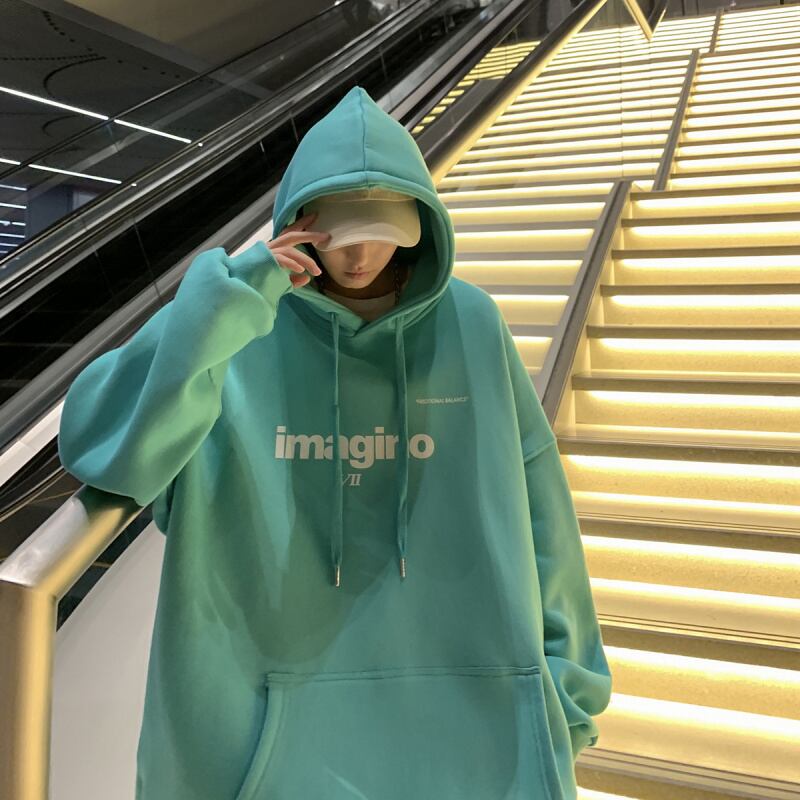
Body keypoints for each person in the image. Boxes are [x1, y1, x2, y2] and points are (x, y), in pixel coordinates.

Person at [58, 85, 611, 800]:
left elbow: (542, 508)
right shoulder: (238, 331)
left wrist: (565, 695)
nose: (359, 256)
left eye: (381, 232)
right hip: (260, 736)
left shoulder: (472, 324)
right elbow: (102, 445)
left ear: (419, 224)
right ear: (299, 224)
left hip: (473, 741)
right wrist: (230, 298)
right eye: (338, 234)